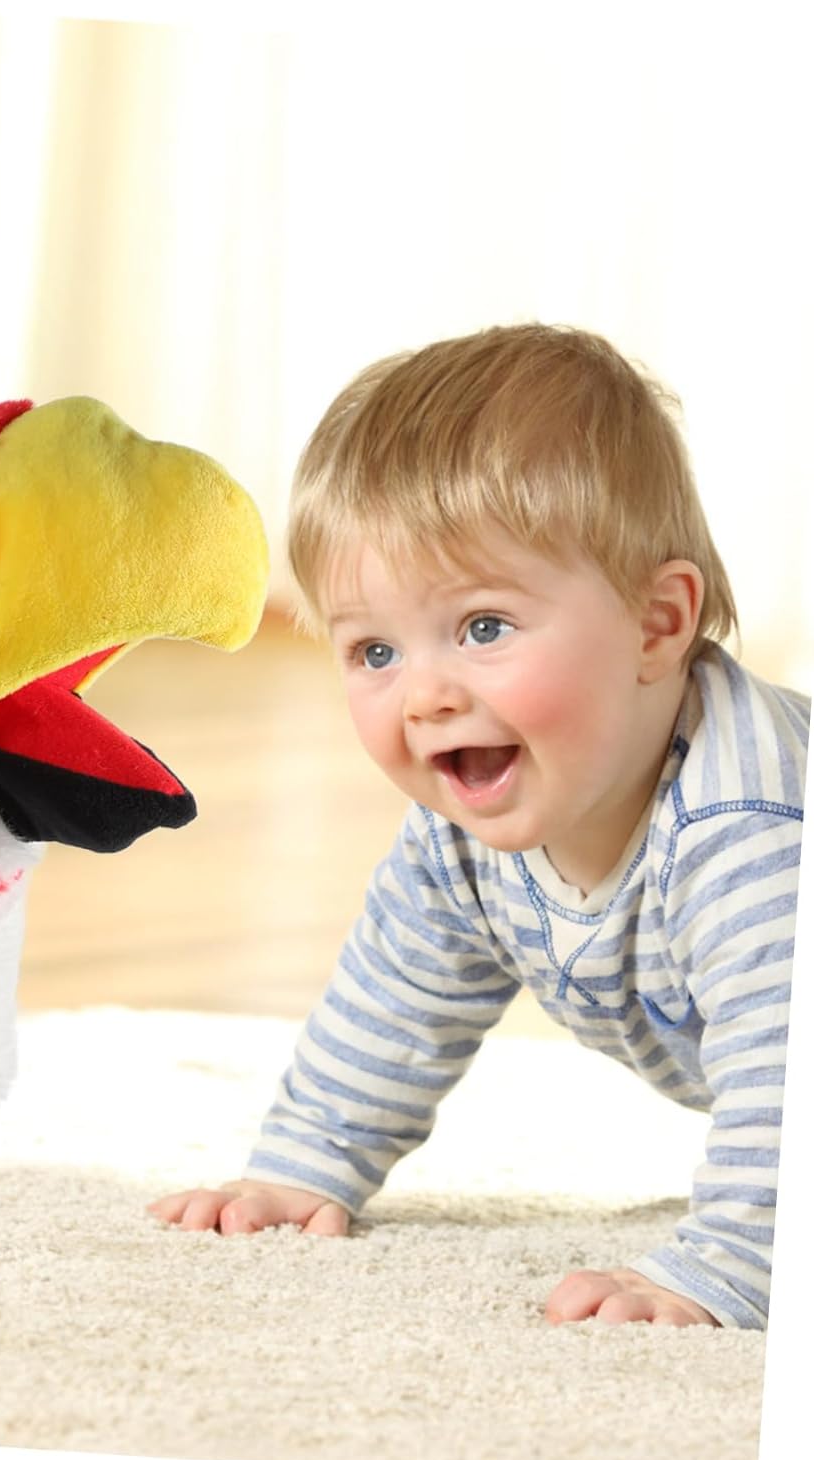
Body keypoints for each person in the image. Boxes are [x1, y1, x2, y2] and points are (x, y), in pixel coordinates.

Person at [149, 324, 804, 1330]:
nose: (425, 696)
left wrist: (734, 1261)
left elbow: (788, 1070)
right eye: (374, 651)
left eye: (483, 628)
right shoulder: (456, 838)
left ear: (657, 624)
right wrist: (306, 1161)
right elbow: (395, 998)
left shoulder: (748, 833)